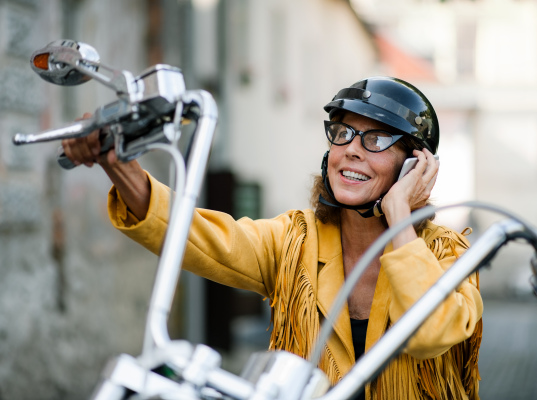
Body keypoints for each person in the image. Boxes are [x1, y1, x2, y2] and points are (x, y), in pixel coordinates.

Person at [62, 76, 483, 400]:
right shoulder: (294, 240)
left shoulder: (450, 254)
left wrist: (398, 218)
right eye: (342, 133)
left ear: (415, 164)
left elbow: (431, 334)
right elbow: (197, 235)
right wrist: (117, 164)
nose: (352, 149)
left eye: (375, 139)